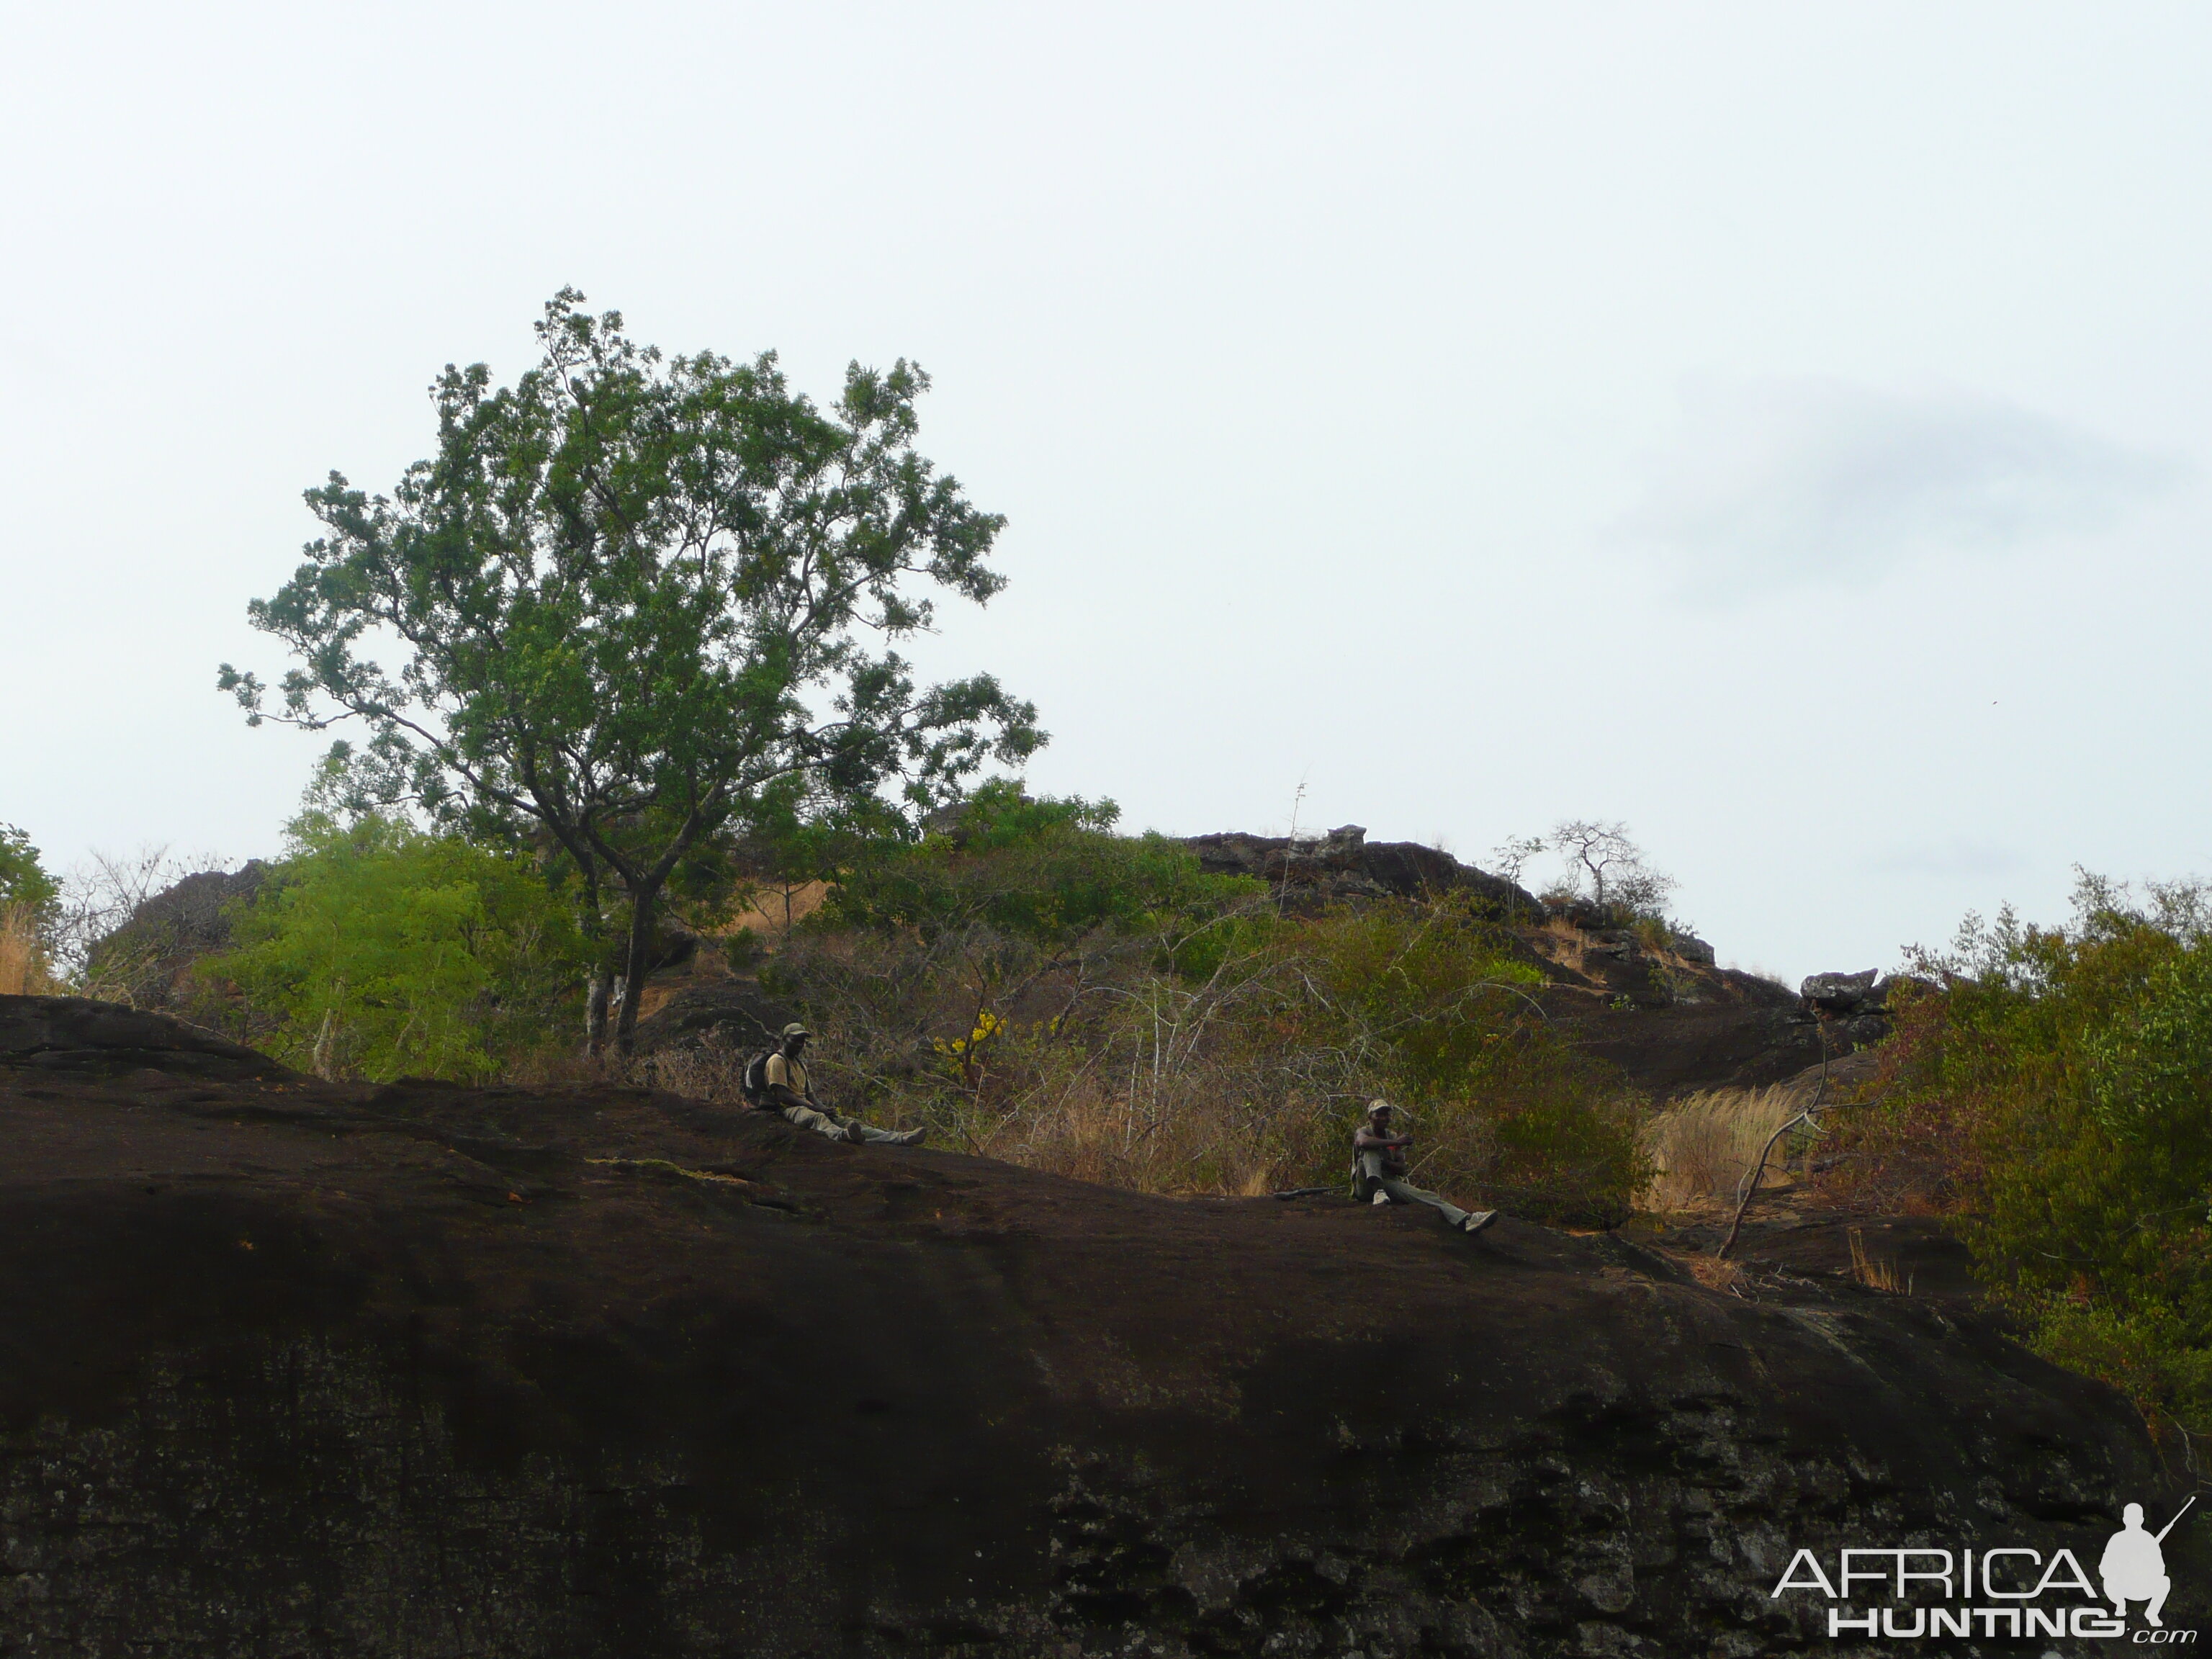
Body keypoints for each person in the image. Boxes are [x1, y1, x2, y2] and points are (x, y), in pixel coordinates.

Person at [760, 1023, 926, 1146]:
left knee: (846, 1120)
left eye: (802, 1041)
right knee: (817, 1118)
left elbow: (810, 1094)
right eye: (795, 1040)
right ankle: (842, 1136)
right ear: (784, 1039)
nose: (799, 1045)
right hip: (788, 1109)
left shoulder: (799, 1064)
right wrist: (816, 1110)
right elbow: (782, 1094)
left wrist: (824, 1108)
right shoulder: (777, 1061)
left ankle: (900, 1138)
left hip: (806, 1106)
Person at [1354, 1100, 1496, 1233]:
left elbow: (1401, 1169)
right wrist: (1396, 1143)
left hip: (1388, 1183)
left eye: (1386, 1114)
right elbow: (1362, 1142)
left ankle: (1466, 1219)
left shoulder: (1392, 1135)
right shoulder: (1364, 1132)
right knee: (1370, 1150)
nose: (1383, 1118)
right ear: (1370, 1117)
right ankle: (1378, 1190)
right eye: (1379, 1114)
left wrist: (1385, 1161)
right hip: (1366, 1185)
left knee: (1426, 1195)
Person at [2100, 1502, 2174, 1627]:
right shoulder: (2117, 1539)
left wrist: (2143, 1567)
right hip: (2122, 1588)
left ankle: (2152, 1613)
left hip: (2143, 1587)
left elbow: (2161, 1570)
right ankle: (2120, 1603)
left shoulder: (2149, 1539)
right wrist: (2122, 1568)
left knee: (2165, 1581)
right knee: (2108, 1581)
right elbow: (2104, 1569)